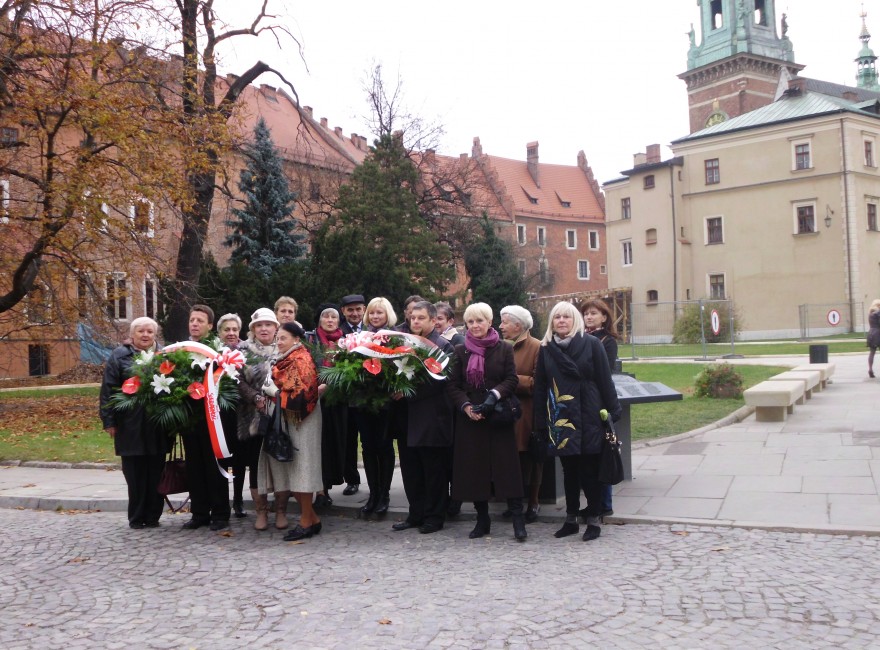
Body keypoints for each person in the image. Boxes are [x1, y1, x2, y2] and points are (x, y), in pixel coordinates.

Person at [533, 301, 621, 542]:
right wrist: (541, 420)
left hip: (589, 413)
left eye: (567, 317)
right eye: (557, 317)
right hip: (562, 416)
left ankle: (593, 518)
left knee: (589, 470)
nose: (561, 321)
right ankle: (571, 518)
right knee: (569, 470)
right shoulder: (546, 349)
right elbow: (540, 386)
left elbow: (605, 380)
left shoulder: (591, 344)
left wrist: (613, 411)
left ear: (575, 321)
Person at [447, 302, 526, 542]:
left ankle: (517, 519)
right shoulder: (460, 351)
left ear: (489, 322)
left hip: (498, 415)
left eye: (479, 321)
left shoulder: (504, 348)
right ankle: (482, 519)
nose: (475, 326)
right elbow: (453, 385)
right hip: (472, 419)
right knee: (475, 470)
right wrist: (467, 407)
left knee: (507, 469)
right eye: (470, 322)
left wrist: (494, 395)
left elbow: (511, 379)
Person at [391, 301, 455, 534]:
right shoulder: (405, 342)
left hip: (432, 418)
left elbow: (438, 381)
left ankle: (434, 516)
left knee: (433, 471)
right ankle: (415, 513)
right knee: (411, 470)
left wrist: (405, 391)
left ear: (432, 320)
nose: (415, 322)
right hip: (407, 418)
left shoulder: (442, 346)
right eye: (412, 318)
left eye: (421, 318)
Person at [99, 316, 168, 529]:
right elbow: (108, 389)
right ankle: (137, 516)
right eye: (141, 331)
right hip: (130, 425)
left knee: (156, 472)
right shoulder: (119, 356)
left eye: (149, 331)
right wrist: (109, 420)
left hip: (158, 424)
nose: (145, 335)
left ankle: (153, 515)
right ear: (132, 334)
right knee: (135, 474)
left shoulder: (164, 356)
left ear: (155, 335)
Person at [260, 321, 324, 541]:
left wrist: (275, 393)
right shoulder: (285, 358)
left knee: (302, 470)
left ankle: (306, 522)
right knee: (294, 469)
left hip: (302, 422)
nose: (279, 341)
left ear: (296, 339)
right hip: (288, 421)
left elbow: (302, 395)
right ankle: (313, 519)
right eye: (278, 337)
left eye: (283, 338)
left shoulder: (300, 359)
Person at [180, 304, 232, 531]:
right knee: (194, 467)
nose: (195, 324)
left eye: (200, 321)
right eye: (192, 320)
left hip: (213, 419)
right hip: (189, 418)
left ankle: (220, 513)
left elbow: (228, 382)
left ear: (210, 326)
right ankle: (199, 513)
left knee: (215, 466)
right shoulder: (179, 350)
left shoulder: (218, 351)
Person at [355, 297, 399, 516]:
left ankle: (384, 495)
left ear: (387, 314)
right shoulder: (360, 337)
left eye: (379, 313)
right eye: (372, 313)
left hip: (386, 403)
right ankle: (373, 494)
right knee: (368, 448)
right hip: (363, 401)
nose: (375, 317)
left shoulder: (396, 337)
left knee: (384, 446)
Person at [498, 305, 542, 523]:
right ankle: (513, 503)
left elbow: (538, 382)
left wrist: (510, 381)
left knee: (530, 460)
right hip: (504, 412)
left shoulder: (537, 347)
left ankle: (533, 503)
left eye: (504, 322)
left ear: (518, 325)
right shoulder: (500, 346)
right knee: (508, 459)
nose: (500, 326)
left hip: (527, 413)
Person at [237, 308, 279, 530]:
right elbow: (236, 380)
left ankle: (280, 510)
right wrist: (254, 397)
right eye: (259, 325)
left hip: (281, 415)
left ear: (276, 328)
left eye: (268, 324)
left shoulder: (285, 348)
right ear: (253, 329)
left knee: (281, 463)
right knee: (255, 466)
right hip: (253, 417)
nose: (264, 328)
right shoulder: (242, 350)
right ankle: (261, 511)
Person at [306, 304, 347, 511]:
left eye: (334, 317)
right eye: (326, 317)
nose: (330, 320)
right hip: (315, 398)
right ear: (319, 320)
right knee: (317, 445)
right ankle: (320, 491)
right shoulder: (310, 339)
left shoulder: (346, 341)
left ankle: (328, 485)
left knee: (333, 445)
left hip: (338, 401)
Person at [581, 298, 619, 519]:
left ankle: (605, 503)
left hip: (599, 402)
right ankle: (592, 502)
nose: (589, 317)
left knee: (602, 455)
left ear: (604, 317)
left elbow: (604, 372)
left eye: (593, 313)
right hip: (583, 403)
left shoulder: (607, 341)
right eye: (586, 313)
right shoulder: (582, 338)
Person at [216, 313, 246, 517]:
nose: (231, 333)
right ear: (219, 332)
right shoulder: (212, 352)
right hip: (218, 414)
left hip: (241, 412)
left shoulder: (246, 351)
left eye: (235, 329)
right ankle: (221, 500)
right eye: (227, 329)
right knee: (221, 456)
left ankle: (238, 499)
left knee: (239, 458)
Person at [338, 293, 366, 495]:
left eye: (358, 309)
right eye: (350, 310)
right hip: (346, 398)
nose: (355, 313)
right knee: (348, 441)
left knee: (369, 440)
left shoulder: (373, 331)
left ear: (364, 309)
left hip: (368, 396)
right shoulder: (338, 332)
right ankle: (352, 479)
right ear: (343, 312)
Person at [868, 299, 880, 378]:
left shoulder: (870, 313)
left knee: (872, 353)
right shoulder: (878, 313)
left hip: (871, 333)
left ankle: (870, 369)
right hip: (878, 333)